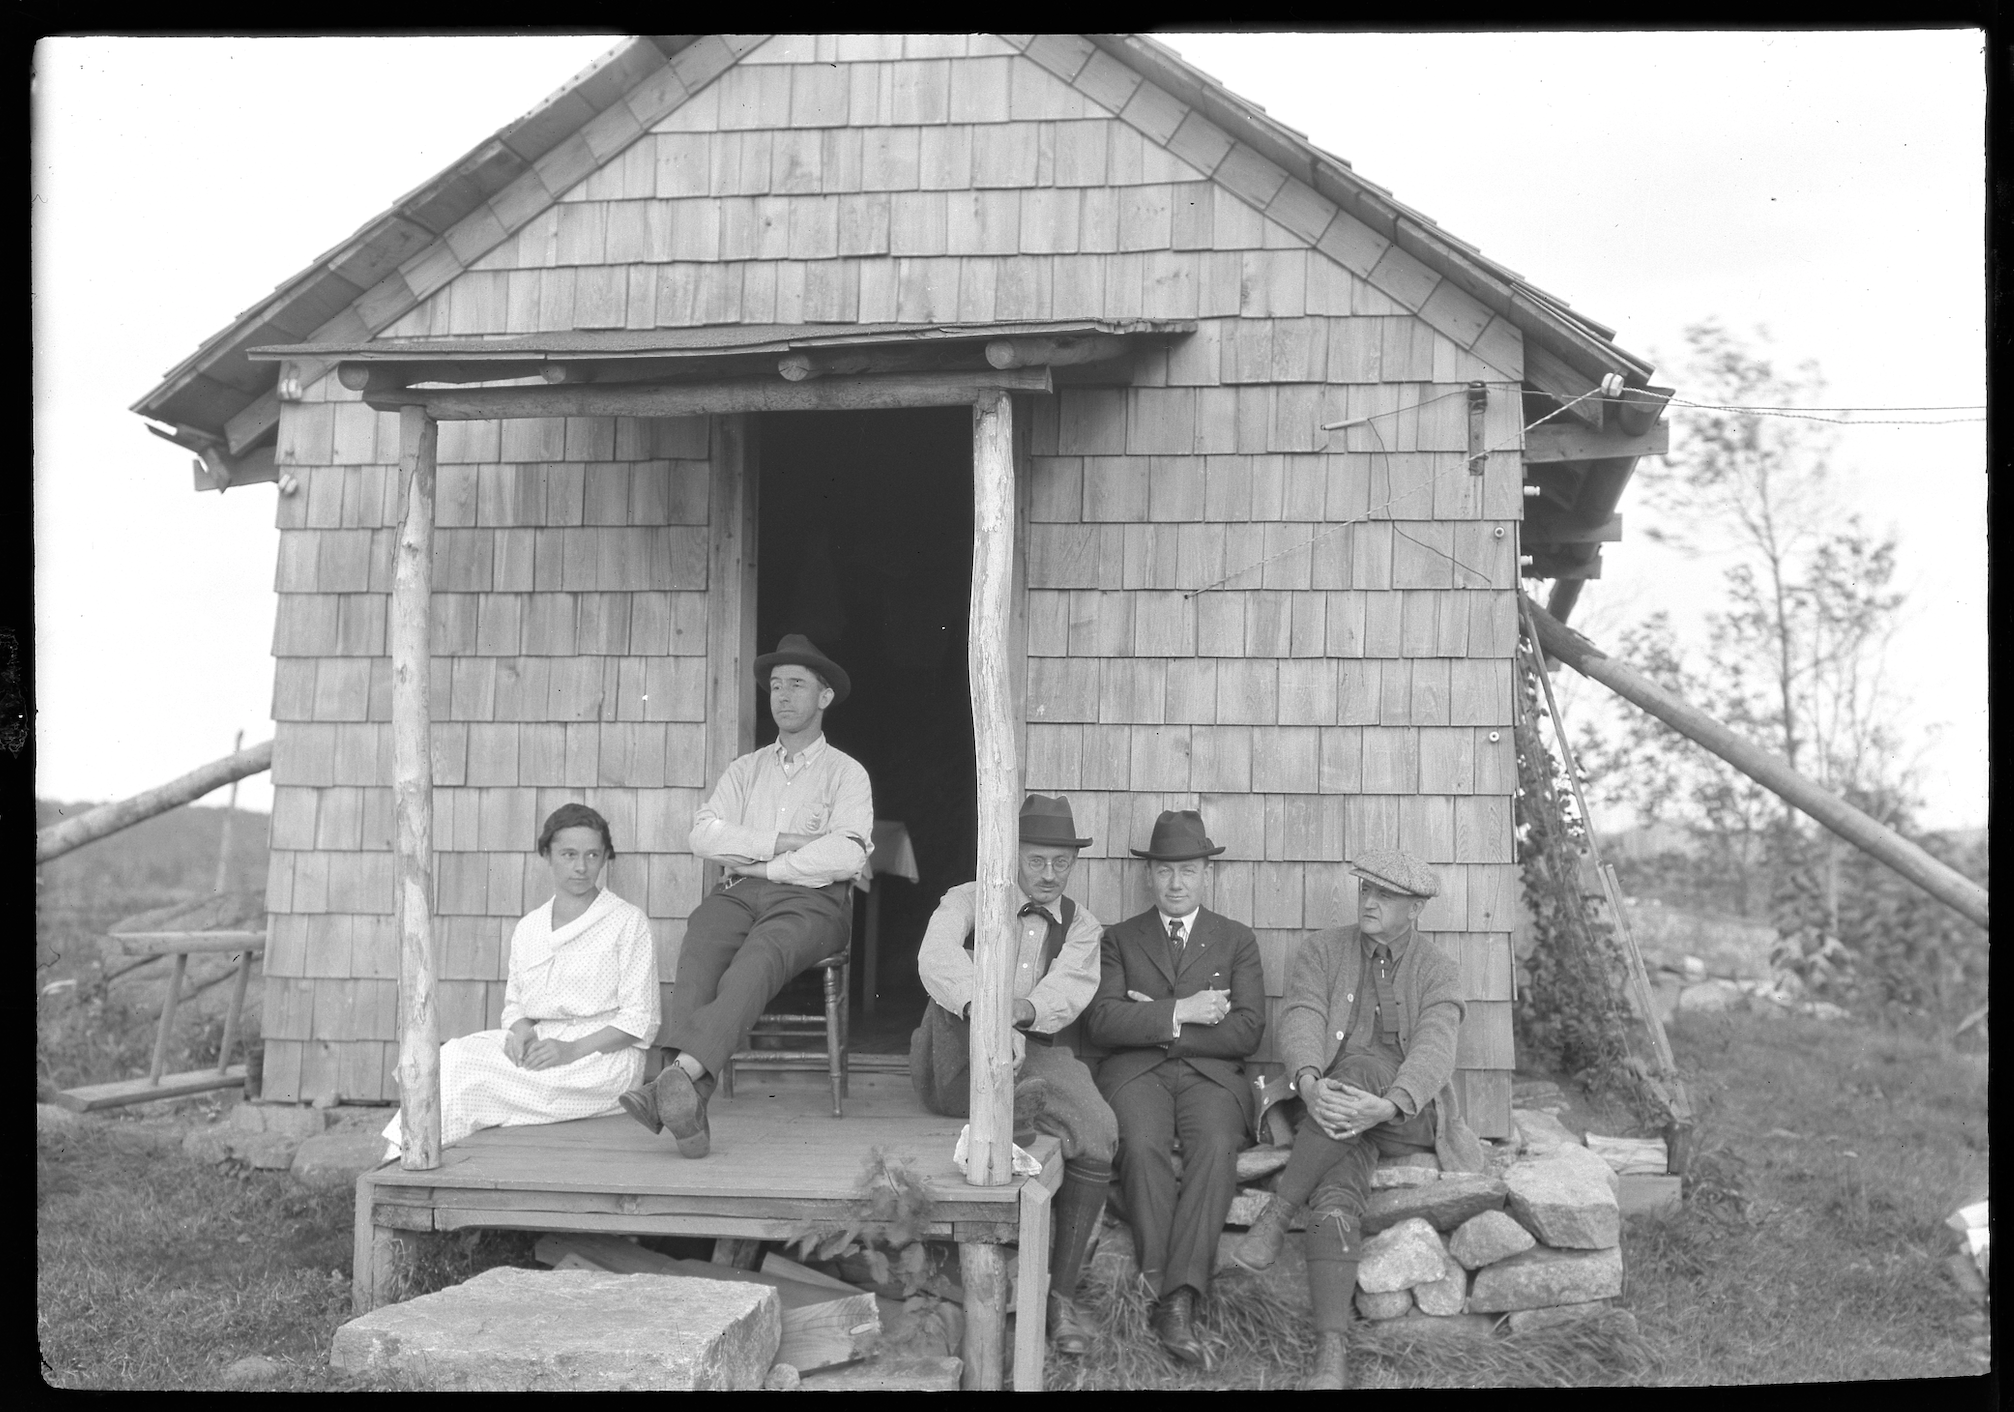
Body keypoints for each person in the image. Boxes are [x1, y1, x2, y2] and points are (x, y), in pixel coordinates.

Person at [1233, 847, 1487, 1390]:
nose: (1369, 902)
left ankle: (1277, 1214)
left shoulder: (1438, 971)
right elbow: (1302, 1015)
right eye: (1365, 890)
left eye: (1385, 895)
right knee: (1337, 1188)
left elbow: (1436, 1048)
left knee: (1369, 1070)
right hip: (1331, 1110)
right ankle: (1331, 1352)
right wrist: (1307, 1081)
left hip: (1405, 1114)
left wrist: (1389, 1103)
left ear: (1415, 909)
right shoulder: (1323, 951)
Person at [617, 634, 872, 1159]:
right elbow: (704, 836)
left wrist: (763, 861)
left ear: (824, 697)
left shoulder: (846, 773)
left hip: (813, 901)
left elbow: (847, 855)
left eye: (797, 685)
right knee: (700, 944)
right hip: (738, 893)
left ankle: (676, 1074)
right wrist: (784, 844)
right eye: (776, 685)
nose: (782, 696)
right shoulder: (745, 770)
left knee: (759, 956)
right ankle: (687, 1103)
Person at [909, 794, 1116, 1358]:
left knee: (1098, 1128)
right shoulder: (968, 898)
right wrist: (988, 1011)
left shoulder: (1082, 926)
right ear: (1012, 855)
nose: (1048, 875)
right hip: (960, 1040)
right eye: (1036, 861)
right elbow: (935, 956)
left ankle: (1060, 1296)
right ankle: (1012, 1103)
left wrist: (1018, 1018)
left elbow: (1065, 991)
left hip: (1033, 1045)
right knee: (971, 1049)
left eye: (1061, 863)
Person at [1082, 809, 1265, 1368]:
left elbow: (1247, 1030)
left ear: (1205, 872)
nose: (1176, 883)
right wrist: (1186, 1012)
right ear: (1149, 875)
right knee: (1140, 1145)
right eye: (1165, 871)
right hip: (1136, 1077)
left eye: (1187, 870)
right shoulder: (1119, 939)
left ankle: (1178, 1299)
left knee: (1214, 1146)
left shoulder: (1235, 940)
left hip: (1211, 1078)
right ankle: (1166, 1287)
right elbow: (1104, 1023)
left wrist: (1160, 1026)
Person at [380, 803, 658, 1162]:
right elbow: (516, 1006)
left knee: (473, 1081)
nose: (581, 867)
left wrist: (570, 1050)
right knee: (451, 1057)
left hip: (601, 1060)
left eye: (592, 855)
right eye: (568, 854)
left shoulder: (626, 922)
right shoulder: (530, 927)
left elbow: (640, 1020)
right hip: (542, 1046)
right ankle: (405, 1151)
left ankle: (399, 1157)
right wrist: (522, 1032)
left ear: (605, 857)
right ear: (547, 854)